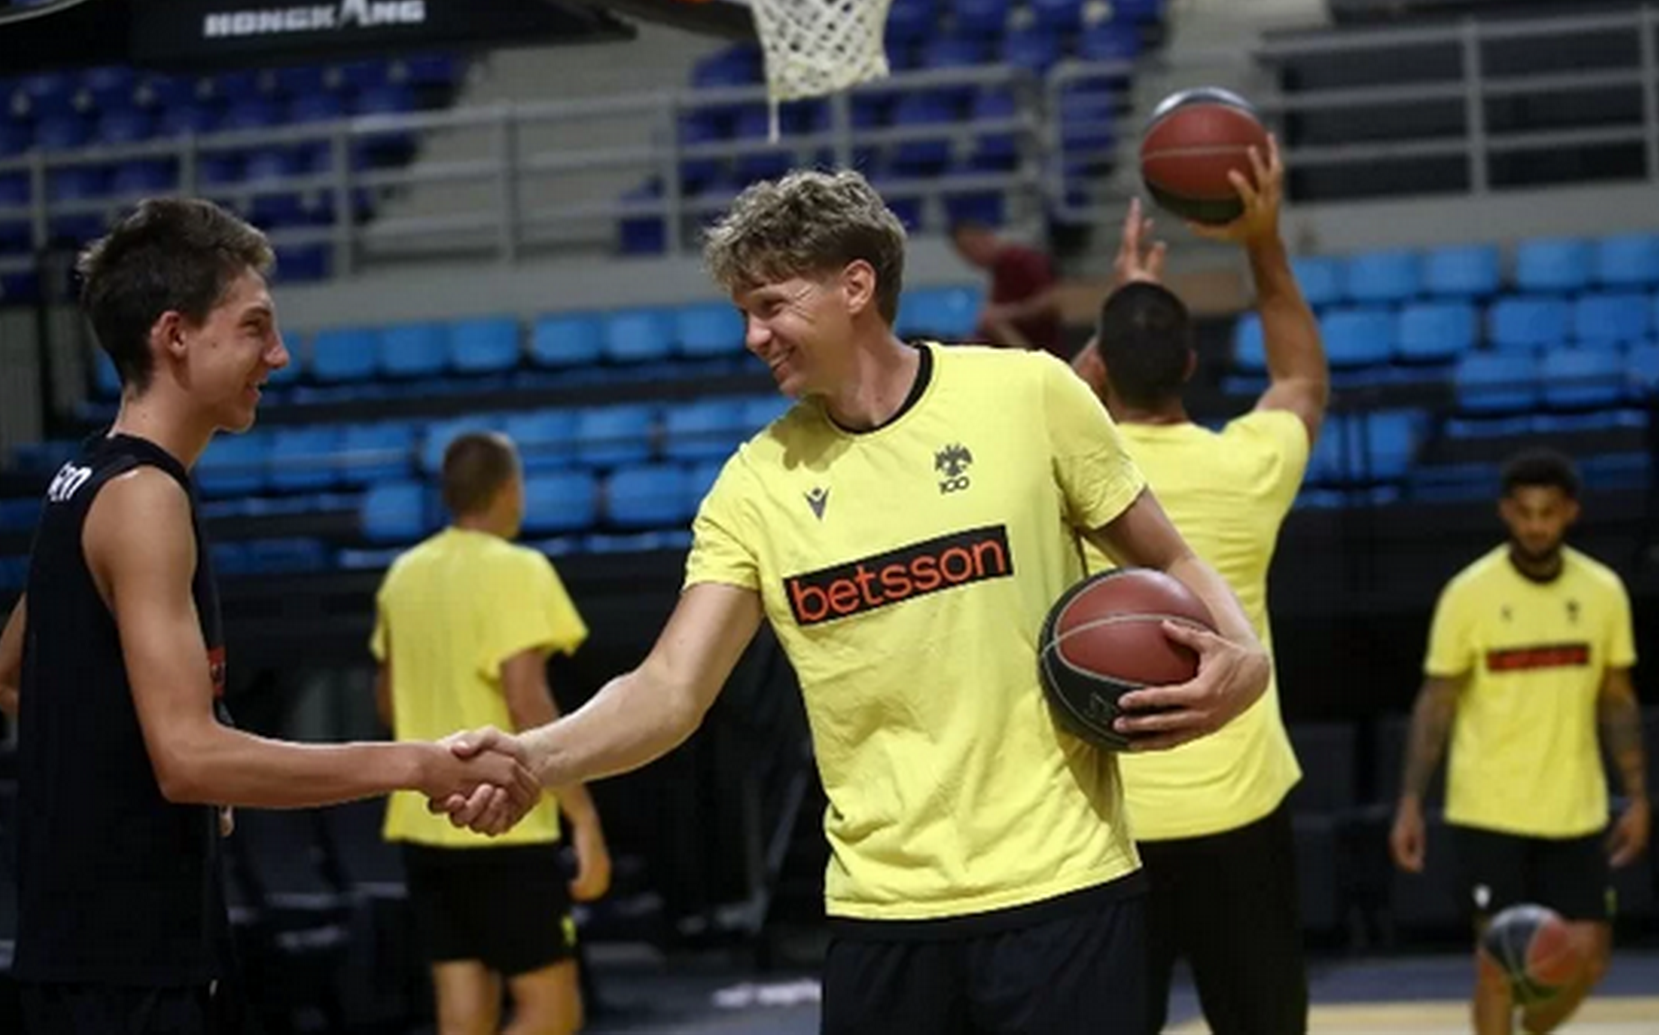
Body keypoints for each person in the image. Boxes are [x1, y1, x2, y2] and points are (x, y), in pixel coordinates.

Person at [438, 168, 1275, 1035]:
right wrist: (533, 757)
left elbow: (1170, 555)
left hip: (1064, 895)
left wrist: (1245, 660)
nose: (754, 336)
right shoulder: (755, 484)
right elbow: (668, 690)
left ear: (856, 285)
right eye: (744, 314)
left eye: (771, 306)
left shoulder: (1030, 395)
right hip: (883, 917)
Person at [0, 197, 539, 1035]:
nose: (277, 354)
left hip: (96, 951)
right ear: (175, 335)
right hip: (127, 968)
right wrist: (419, 764)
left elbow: (9, 677)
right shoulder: (144, 498)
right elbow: (187, 759)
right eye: (254, 328)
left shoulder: (87, 478)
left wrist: (158, 766)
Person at [1071, 141, 1329, 1035]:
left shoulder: (1061, 475)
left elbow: (1048, 404)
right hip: (1239, 812)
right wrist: (1262, 242)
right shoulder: (1247, 466)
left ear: (1100, 367)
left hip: (1107, 826)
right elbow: (1300, 380)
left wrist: (1119, 309)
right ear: (1191, 365)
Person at [1389, 448, 1650, 1035]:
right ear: (1506, 512)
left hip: (1575, 807)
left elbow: (1618, 701)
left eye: (1547, 513)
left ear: (1570, 512)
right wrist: (1410, 802)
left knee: (1589, 957)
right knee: (1499, 965)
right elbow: (1436, 702)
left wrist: (1638, 795)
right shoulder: (1468, 593)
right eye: (1525, 512)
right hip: (1489, 808)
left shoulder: (1603, 591)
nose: (1536, 526)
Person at [373, 431, 612, 1035]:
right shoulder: (519, 569)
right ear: (509, 490)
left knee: (462, 1013)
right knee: (553, 1012)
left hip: (422, 821)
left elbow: (387, 699)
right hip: (506, 820)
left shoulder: (403, 574)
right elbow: (527, 701)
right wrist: (583, 818)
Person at [948, 218, 1065, 354]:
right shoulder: (998, 269)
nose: (970, 257)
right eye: (964, 252)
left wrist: (1005, 314)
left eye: (971, 247)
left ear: (987, 237)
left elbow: (1052, 300)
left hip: (1038, 348)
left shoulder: (1019, 260)